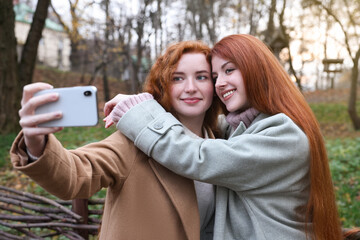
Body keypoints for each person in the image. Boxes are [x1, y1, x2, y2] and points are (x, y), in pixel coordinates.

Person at [105, 34, 343, 239]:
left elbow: (198, 156)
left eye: (229, 70)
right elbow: (196, 125)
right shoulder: (241, 129)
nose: (220, 84)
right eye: (215, 76)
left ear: (257, 70)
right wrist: (154, 105)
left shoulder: (284, 137)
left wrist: (140, 112)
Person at [10, 40, 222, 239]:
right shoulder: (135, 142)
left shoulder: (221, 142)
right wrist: (35, 143)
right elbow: (74, 175)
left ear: (215, 85)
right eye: (177, 78)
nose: (191, 87)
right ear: (162, 86)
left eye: (201, 77)